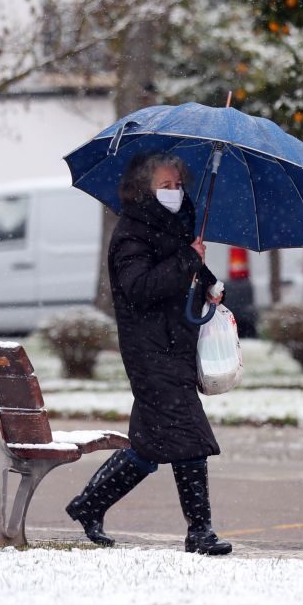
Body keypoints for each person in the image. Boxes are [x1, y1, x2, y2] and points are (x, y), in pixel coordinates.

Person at [65, 152, 233, 555]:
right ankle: (200, 532)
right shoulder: (131, 232)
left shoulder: (174, 225)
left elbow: (177, 271)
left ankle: (89, 505)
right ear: (144, 187)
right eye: (165, 185)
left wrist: (207, 281)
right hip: (149, 351)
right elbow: (140, 288)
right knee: (190, 435)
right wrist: (188, 258)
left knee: (148, 444)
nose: (174, 192)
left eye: (178, 185)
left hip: (175, 347)